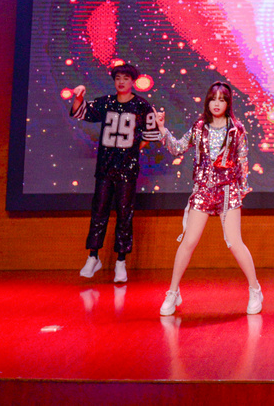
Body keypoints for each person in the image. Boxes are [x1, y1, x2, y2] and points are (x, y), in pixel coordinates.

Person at [157, 82, 262, 317]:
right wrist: (163, 130)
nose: (217, 103)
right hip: (203, 189)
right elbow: (178, 148)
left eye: (222, 100)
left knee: (234, 242)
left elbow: (243, 161)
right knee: (189, 241)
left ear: (228, 103)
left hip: (228, 190)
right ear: (207, 101)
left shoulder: (236, 130)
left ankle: (255, 289)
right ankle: (172, 292)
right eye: (213, 99)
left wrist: (240, 191)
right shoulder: (199, 127)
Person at [71, 63, 161, 283]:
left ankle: (121, 261)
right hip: (105, 168)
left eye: (126, 78)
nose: (121, 82)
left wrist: (132, 151)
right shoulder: (106, 102)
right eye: (118, 78)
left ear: (133, 81)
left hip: (127, 170)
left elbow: (151, 135)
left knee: (124, 214)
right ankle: (93, 256)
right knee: (99, 211)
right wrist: (79, 97)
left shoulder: (141, 106)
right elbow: (80, 113)